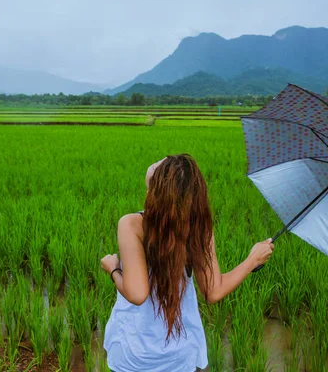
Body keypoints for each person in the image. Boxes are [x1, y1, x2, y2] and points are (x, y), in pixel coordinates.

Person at [101, 154, 274, 372]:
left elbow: (137, 294)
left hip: (134, 350)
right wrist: (252, 260)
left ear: (157, 192)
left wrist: (114, 268)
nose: (159, 161)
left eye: (162, 165)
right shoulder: (200, 228)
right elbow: (213, 291)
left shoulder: (133, 225)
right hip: (179, 350)